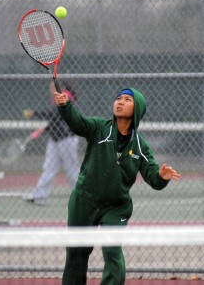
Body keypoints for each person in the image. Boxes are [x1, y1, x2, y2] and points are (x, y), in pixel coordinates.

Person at [54, 87, 181, 285]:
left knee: (113, 253)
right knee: (76, 255)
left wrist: (161, 176)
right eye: (118, 98)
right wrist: (65, 106)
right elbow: (78, 123)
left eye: (127, 100)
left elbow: (153, 178)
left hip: (116, 207)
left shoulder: (140, 146)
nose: (120, 102)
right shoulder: (98, 127)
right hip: (83, 201)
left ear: (137, 109)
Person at [23, 80, 80, 206]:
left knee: (72, 170)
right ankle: (39, 196)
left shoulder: (65, 96)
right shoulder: (56, 99)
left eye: (51, 87)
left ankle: (81, 197)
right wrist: (45, 129)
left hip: (67, 139)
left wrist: (34, 113)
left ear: (58, 87)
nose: (50, 90)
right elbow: (55, 120)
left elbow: (56, 115)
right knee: (48, 168)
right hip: (55, 140)